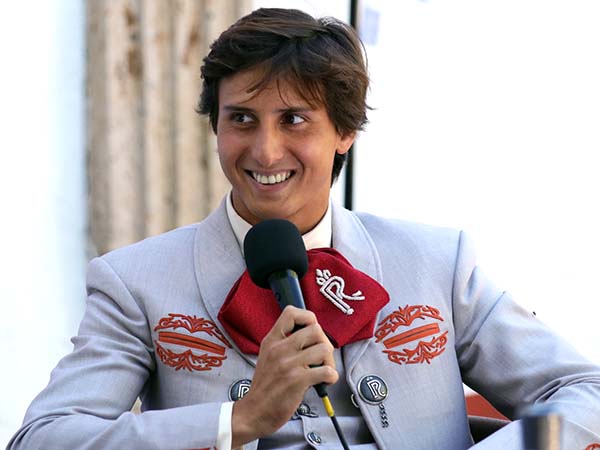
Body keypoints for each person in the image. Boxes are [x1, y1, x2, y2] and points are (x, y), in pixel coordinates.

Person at [7, 7, 600, 450]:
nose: (265, 151)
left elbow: (585, 393)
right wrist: (238, 420)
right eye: (242, 119)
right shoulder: (134, 281)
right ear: (216, 127)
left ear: (345, 132)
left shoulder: (437, 261)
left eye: (294, 119)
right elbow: (43, 438)